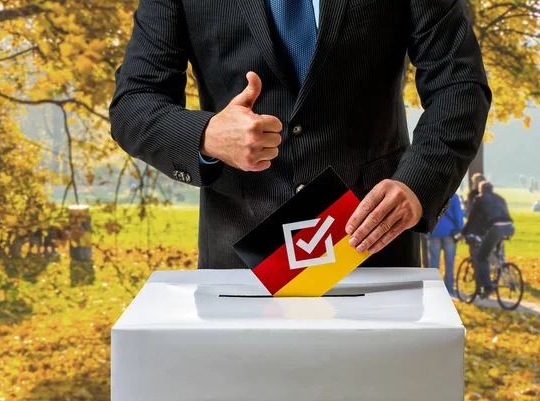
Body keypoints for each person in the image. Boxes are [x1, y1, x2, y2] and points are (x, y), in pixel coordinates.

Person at [109, 0, 492, 269]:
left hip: (373, 250)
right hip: (241, 262)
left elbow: (459, 85)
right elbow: (134, 103)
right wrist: (207, 134)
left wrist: (418, 183)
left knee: (374, 388)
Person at [462, 181, 514, 298]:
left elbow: (472, 218)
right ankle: (502, 266)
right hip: (510, 227)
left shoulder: (480, 199)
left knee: (481, 257)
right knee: (494, 250)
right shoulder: (500, 198)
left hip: (496, 228)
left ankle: (488, 286)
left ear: (481, 189)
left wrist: (464, 233)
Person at [427, 194, 464, 295]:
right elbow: (458, 214)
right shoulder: (454, 196)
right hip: (450, 233)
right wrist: (460, 229)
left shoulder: (433, 195)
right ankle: (449, 289)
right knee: (449, 263)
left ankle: (433, 289)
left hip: (434, 232)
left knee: (434, 263)